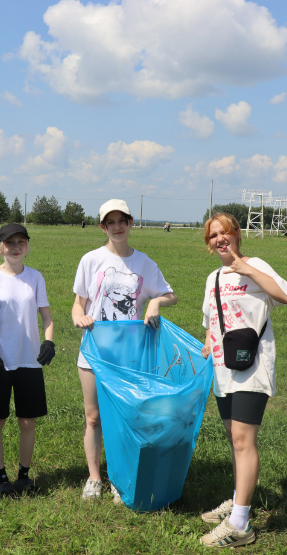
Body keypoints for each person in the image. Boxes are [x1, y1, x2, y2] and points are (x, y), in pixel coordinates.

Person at [198, 212, 287, 548]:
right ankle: (239, 499)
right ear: (209, 244)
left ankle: (240, 524)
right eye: (214, 236)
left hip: (254, 367)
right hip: (223, 371)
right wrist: (208, 345)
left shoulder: (256, 265)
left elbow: (286, 295)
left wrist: (248, 269)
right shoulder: (212, 278)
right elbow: (212, 323)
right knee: (233, 436)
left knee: (242, 438)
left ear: (237, 236)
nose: (220, 239)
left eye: (225, 233)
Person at [71, 199, 177, 501]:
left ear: (130, 223)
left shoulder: (144, 263)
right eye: (110, 222)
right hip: (93, 352)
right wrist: (79, 317)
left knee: (125, 417)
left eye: (122, 221)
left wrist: (156, 301)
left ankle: (120, 477)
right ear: (103, 227)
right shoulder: (90, 260)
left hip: (129, 356)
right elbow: (78, 304)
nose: (117, 227)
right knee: (93, 418)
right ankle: (94, 478)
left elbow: (171, 295)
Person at [0, 223, 55, 498]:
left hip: (28, 361)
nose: (15, 247)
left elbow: (47, 317)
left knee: (28, 422)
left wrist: (49, 341)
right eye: (9, 243)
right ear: (0, 247)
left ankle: (24, 476)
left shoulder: (35, 277)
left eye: (21, 242)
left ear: (27, 246)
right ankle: (1, 478)